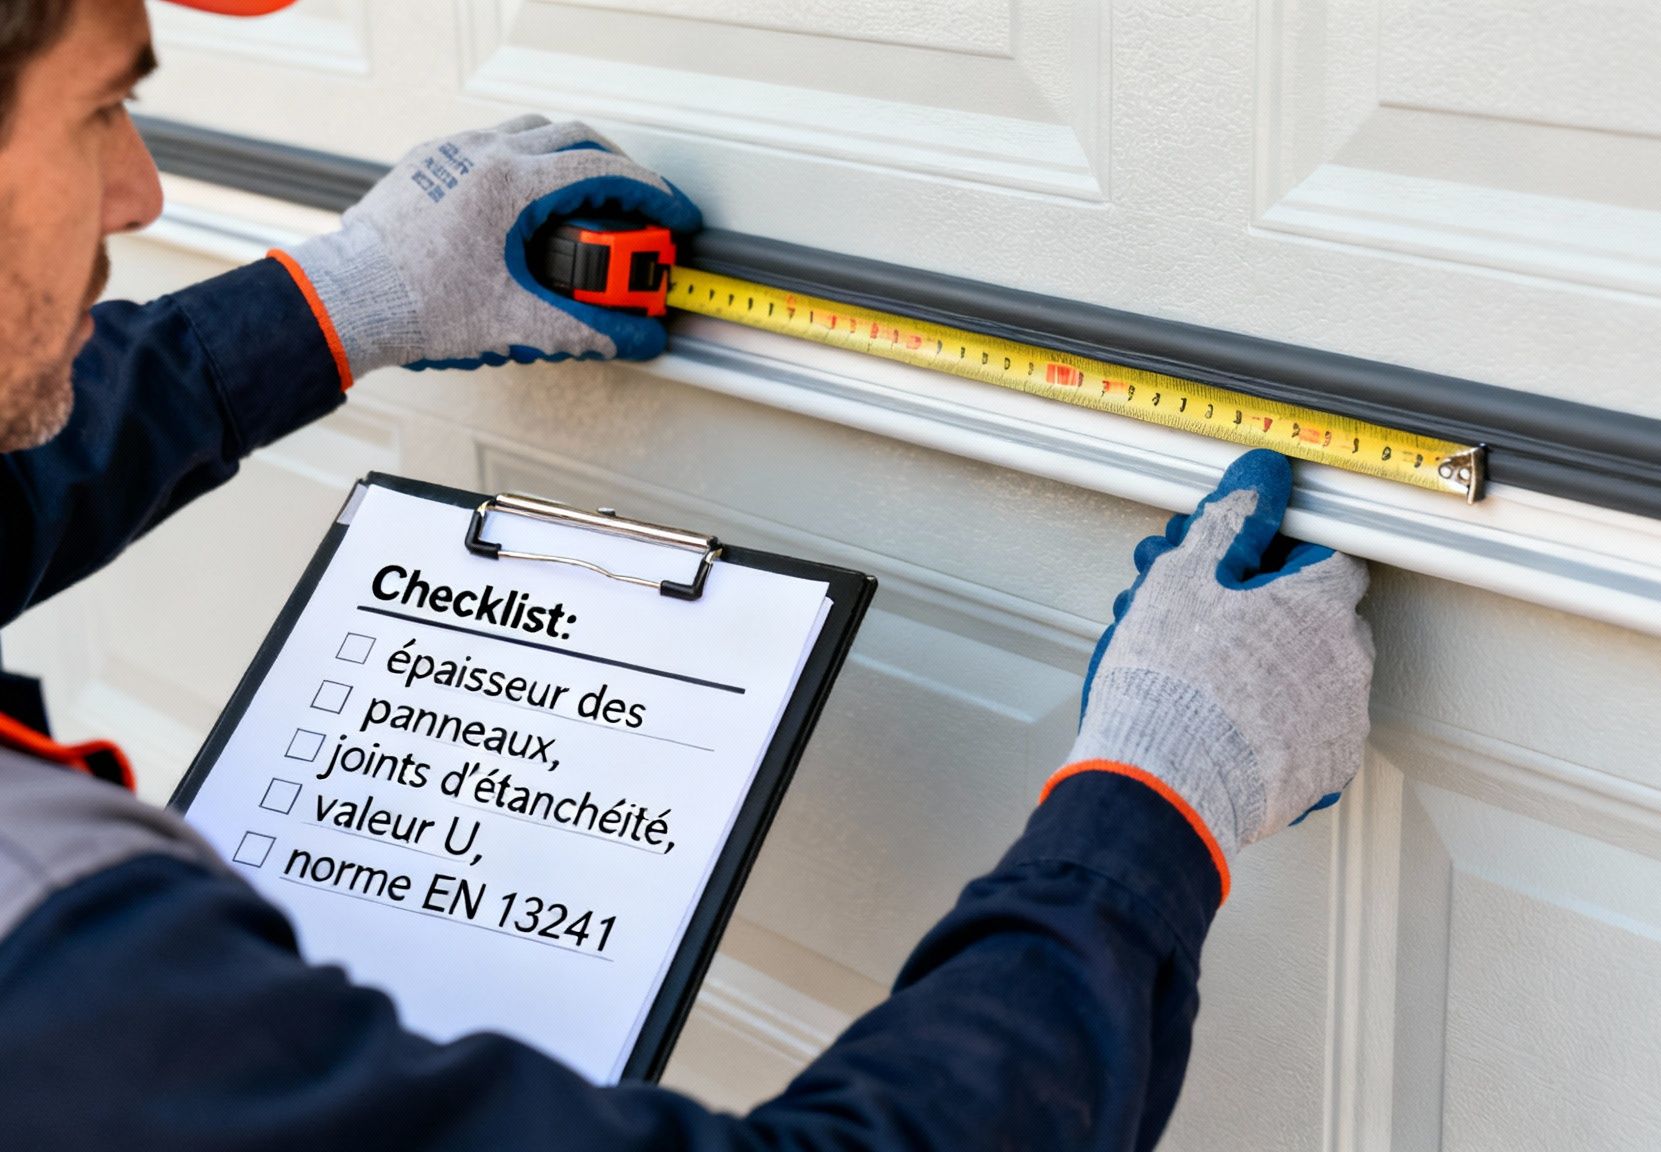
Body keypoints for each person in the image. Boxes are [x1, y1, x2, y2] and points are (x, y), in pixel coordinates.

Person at [0, 1, 1375, 1148]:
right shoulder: (65, 981)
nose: (143, 192)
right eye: (97, 110)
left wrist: (337, 302)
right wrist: (1153, 808)